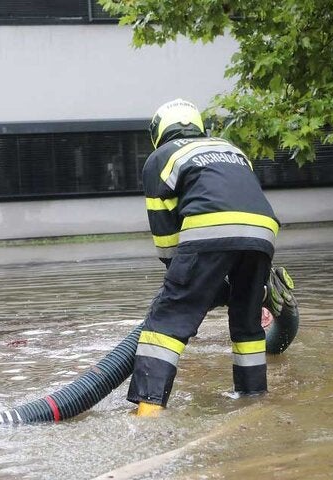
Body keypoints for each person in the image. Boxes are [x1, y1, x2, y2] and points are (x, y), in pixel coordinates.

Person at [128, 99, 280, 416]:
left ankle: (148, 411)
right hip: (263, 231)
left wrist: (179, 279)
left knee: (168, 318)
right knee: (247, 320)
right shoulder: (231, 149)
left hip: (210, 226)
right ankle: (253, 398)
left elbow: (165, 232)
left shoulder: (162, 157)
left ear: (159, 131)